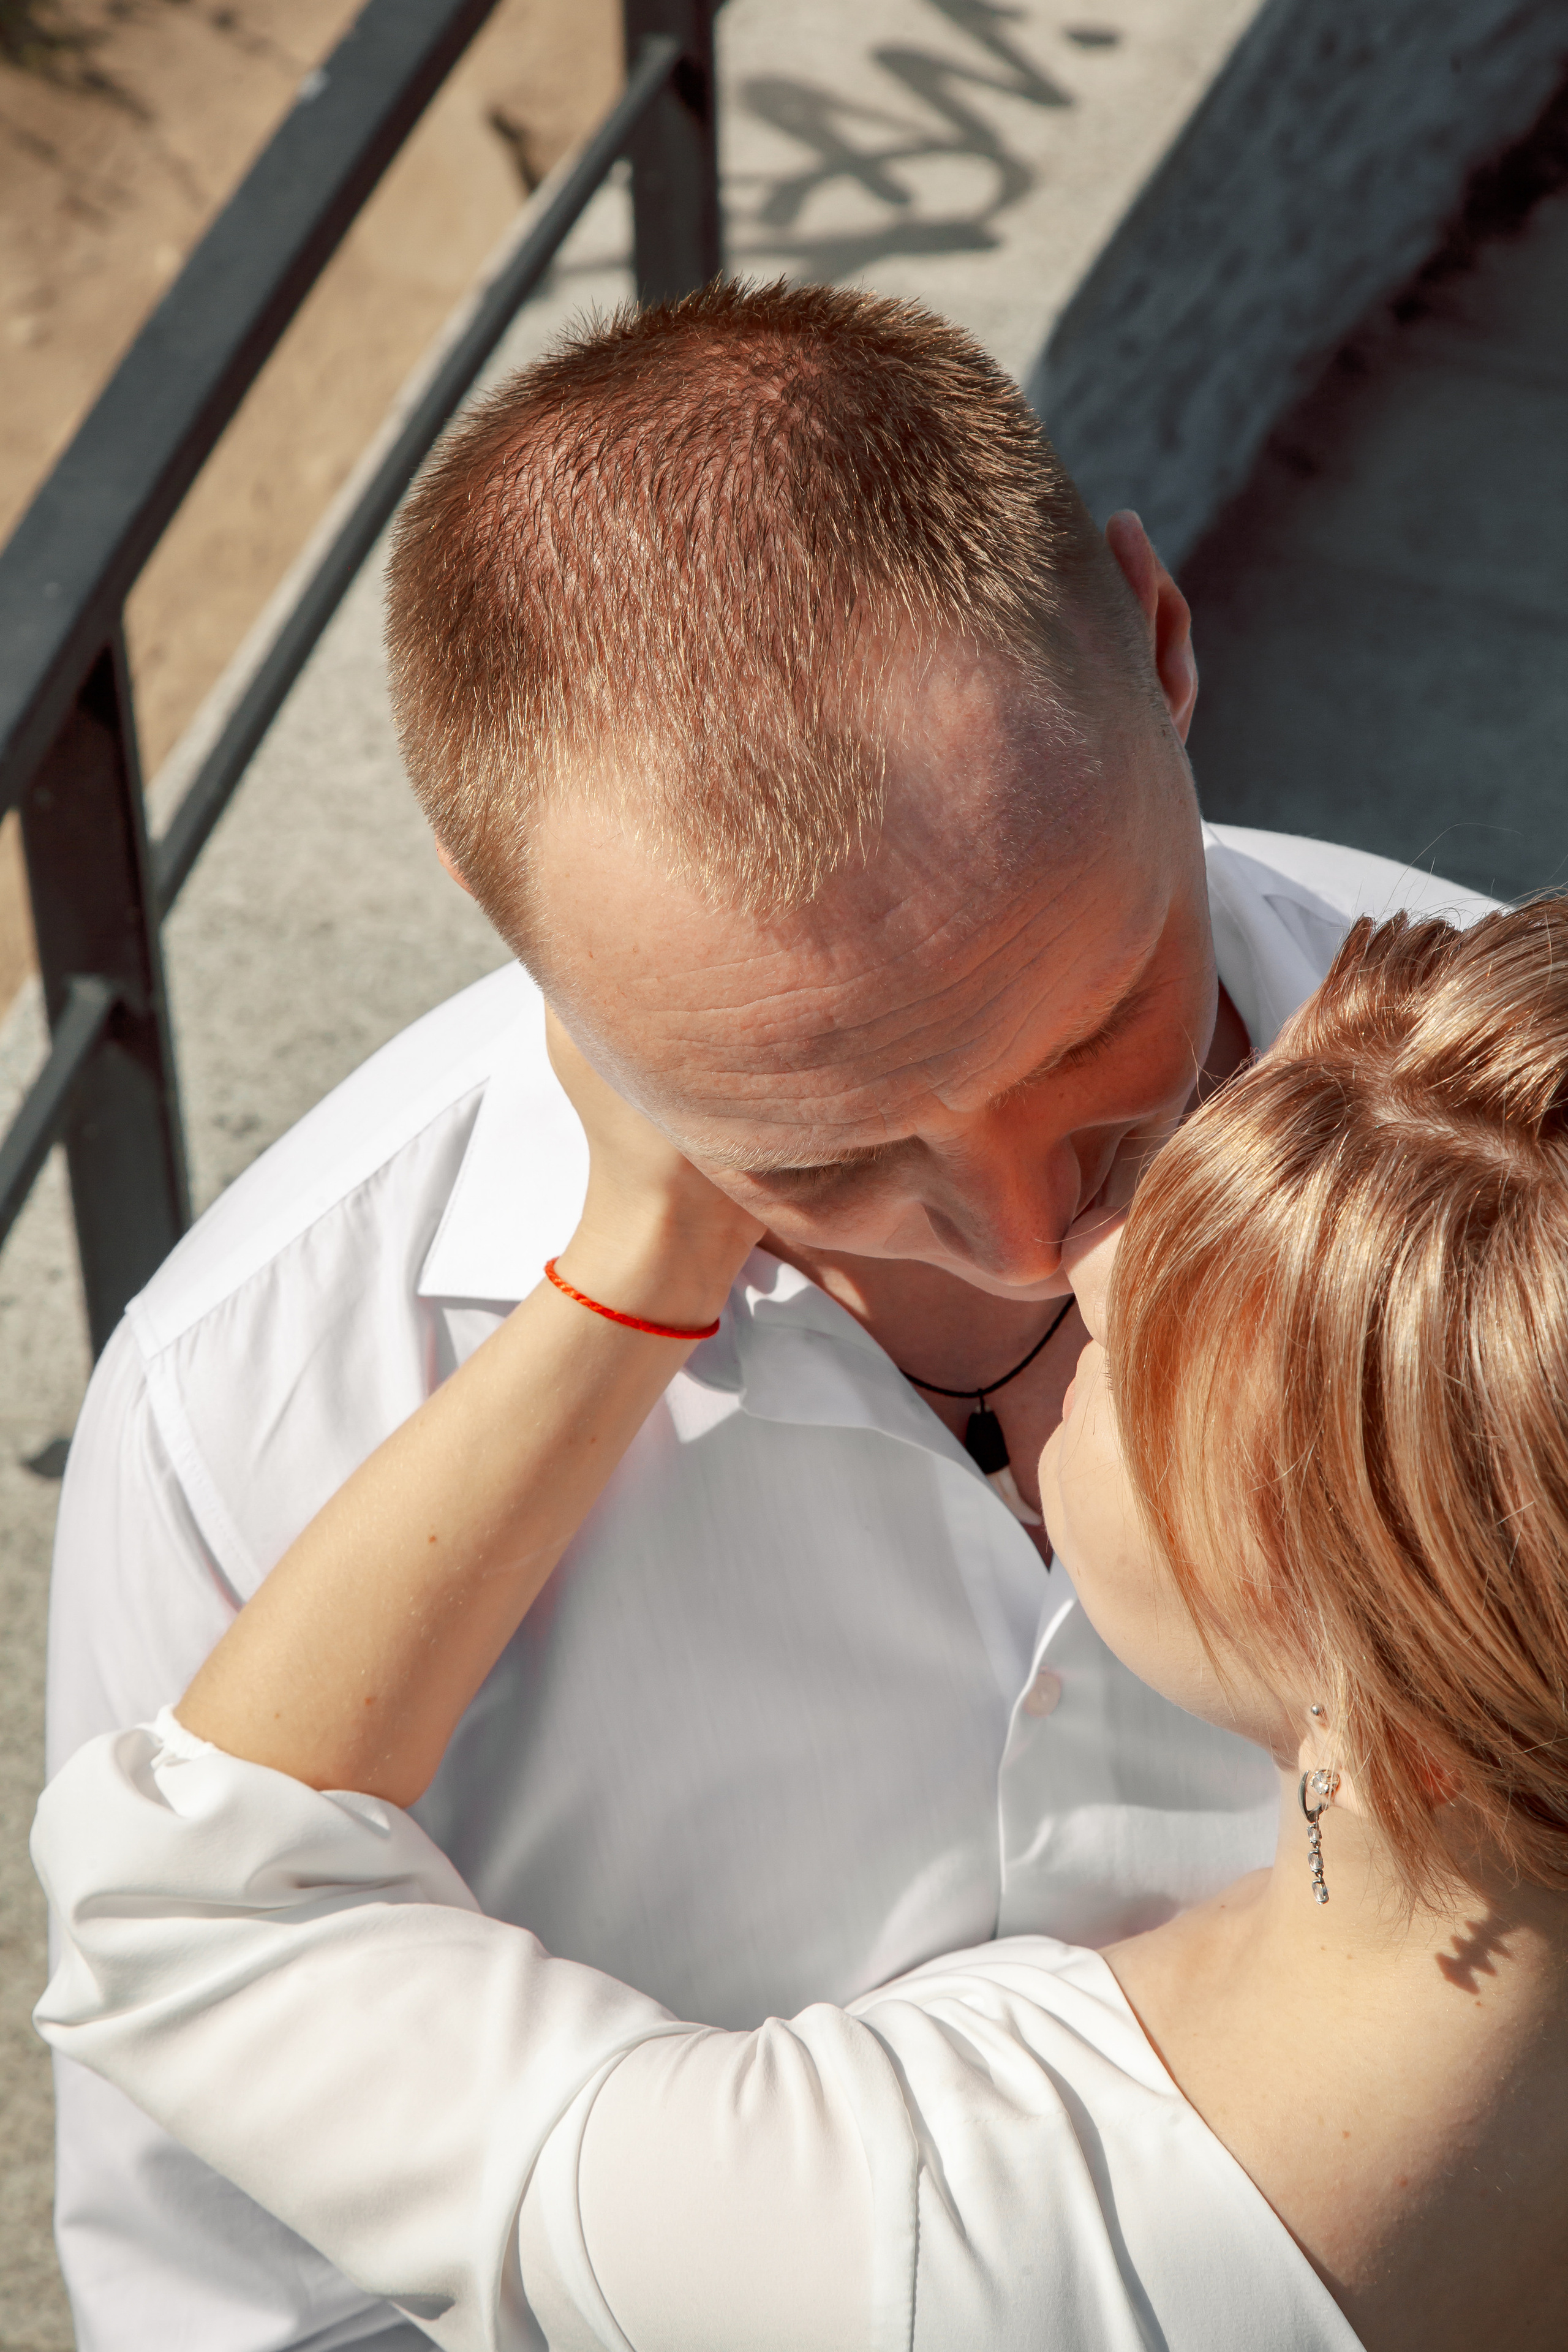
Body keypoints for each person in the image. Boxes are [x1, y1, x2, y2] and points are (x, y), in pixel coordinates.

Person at [45, 282, 1493, 2352]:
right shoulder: (249, 1416)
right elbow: (242, 2291)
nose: (1021, 1240)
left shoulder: (1516, 1157)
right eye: (814, 1149)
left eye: (1097, 1027)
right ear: (514, 919)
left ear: (1162, 651)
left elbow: (206, 1932)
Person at [34, 902, 1568, 2350]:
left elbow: (191, 1901)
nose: (1080, 1248)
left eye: (1137, 1364)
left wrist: (631, 1269)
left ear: (1389, 1725)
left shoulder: (886, 2236)